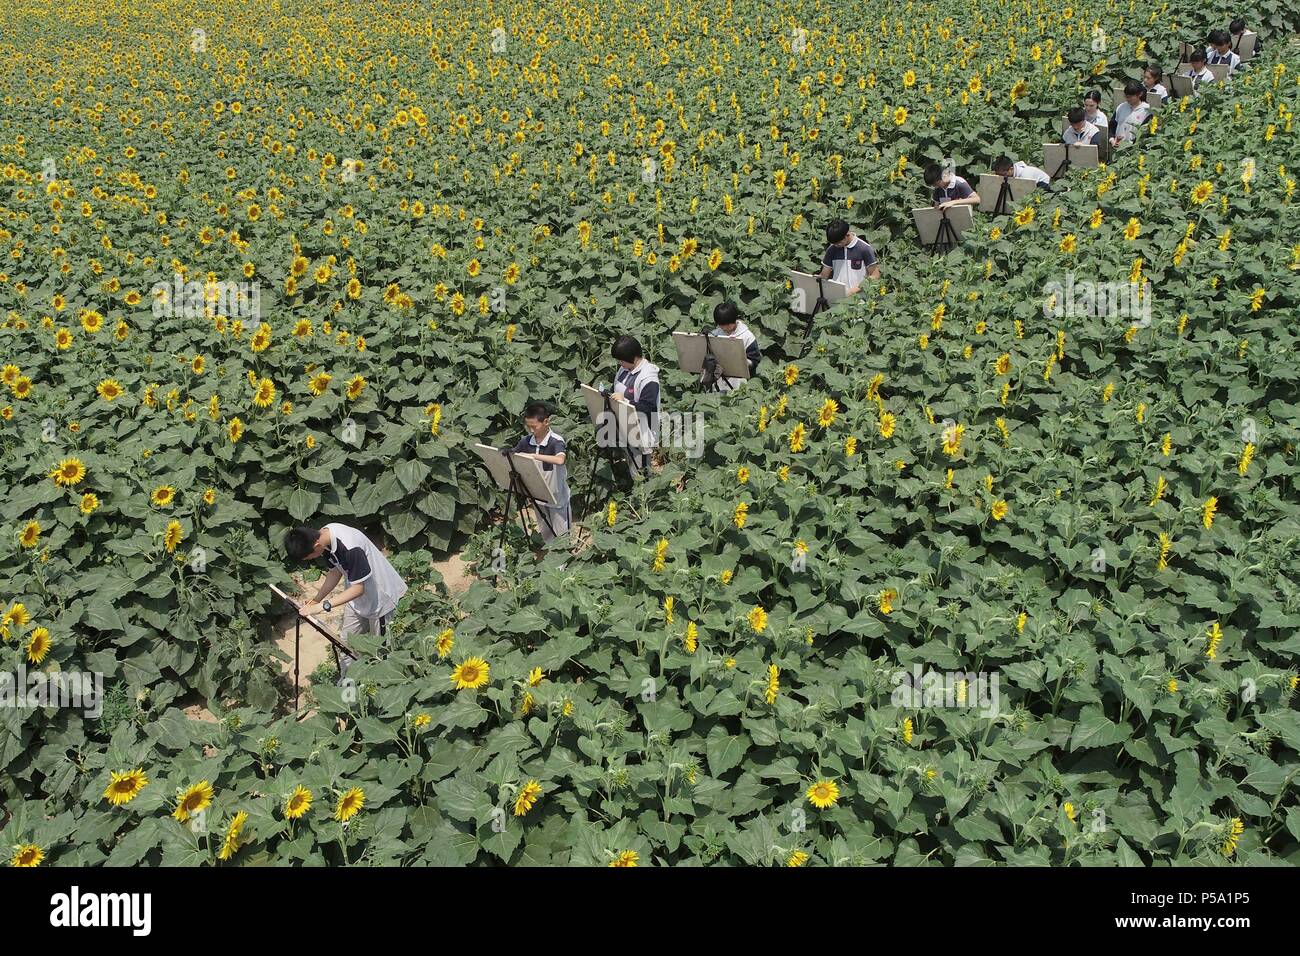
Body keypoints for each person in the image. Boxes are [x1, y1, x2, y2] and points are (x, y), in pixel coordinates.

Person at [284, 523, 409, 681]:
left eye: (309, 558)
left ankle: (383, 689)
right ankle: (348, 686)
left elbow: (358, 588)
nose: (311, 560)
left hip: (380, 601)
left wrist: (322, 607)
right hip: (356, 600)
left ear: (316, 546)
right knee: (346, 645)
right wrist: (316, 600)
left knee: (382, 651)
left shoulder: (350, 547)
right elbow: (335, 571)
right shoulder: (325, 538)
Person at [508, 400, 570, 542]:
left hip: (556, 494)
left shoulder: (556, 441)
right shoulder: (526, 441)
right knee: (545, 527)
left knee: (561, 529)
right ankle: (550, 553)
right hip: (537, 493)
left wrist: (533, 456)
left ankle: (563, 561)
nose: (531, 430)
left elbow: (560, 460)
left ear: (546, 422)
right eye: (528, 426)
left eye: (534, 427)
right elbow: (515, 453)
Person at [608, 334, 660, 474]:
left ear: (634, 358)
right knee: (632, 466)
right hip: (626, 427)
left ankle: (646, 494)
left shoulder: (649, 377)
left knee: (642, 472)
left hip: (642, 431)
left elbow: (648, 407)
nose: (620, 364)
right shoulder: (625, 368)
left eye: (621, 361)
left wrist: (625, 401)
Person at [704, 301, 761, 392]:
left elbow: (755, 359)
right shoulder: (715, 334)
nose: (725, 329)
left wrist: (742, 362)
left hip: (738, 378)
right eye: (721, 326)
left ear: (734, 320)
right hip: (717, 377)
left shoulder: (747, 336)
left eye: (727, 325)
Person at [817, 219, 879, 292]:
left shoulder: (864, 249)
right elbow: (824, 275)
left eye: (838, 243)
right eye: (834, 243)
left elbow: (875, 275)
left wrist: (855, 290)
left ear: (847, 235)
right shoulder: (832, 249)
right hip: (838, 296)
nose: (836, 245)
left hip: (859, 299)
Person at [1111, 81, 1152, 146]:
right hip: (1118, 146)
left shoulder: (1147, 111)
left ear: (1140, 94)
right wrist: (1112, 139)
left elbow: (1146, 135)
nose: (1127, 99)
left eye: (1130, 97)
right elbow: (1112, 126)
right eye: (1126, 96)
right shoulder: (1121, 107)